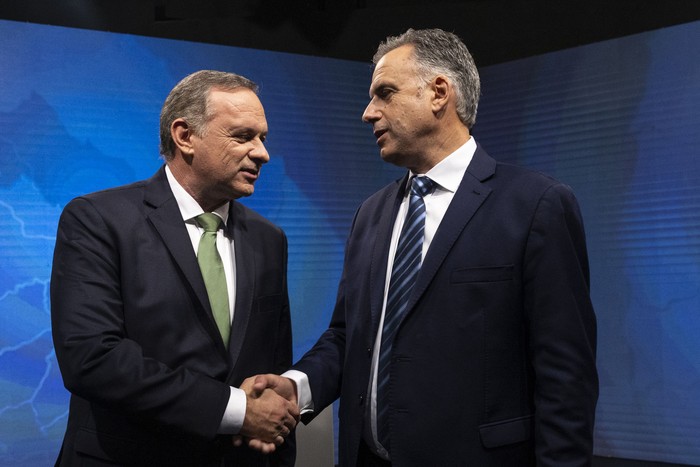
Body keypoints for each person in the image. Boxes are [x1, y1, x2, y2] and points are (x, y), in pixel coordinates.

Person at [251, 28, 599, 466]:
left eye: (385, 93)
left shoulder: (536, 205)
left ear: (438, 93)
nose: (367, 113)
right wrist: (297, 386)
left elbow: (566, 376)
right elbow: (349, 336)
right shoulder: (370, 215)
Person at [51, 70, 298, 466]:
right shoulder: (98, 220)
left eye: (262, 138)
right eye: (242, 136)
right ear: (184, 136)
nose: (262, 153)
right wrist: (235, 410)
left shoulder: (269, 239)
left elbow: (273, 375)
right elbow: (93, 359)